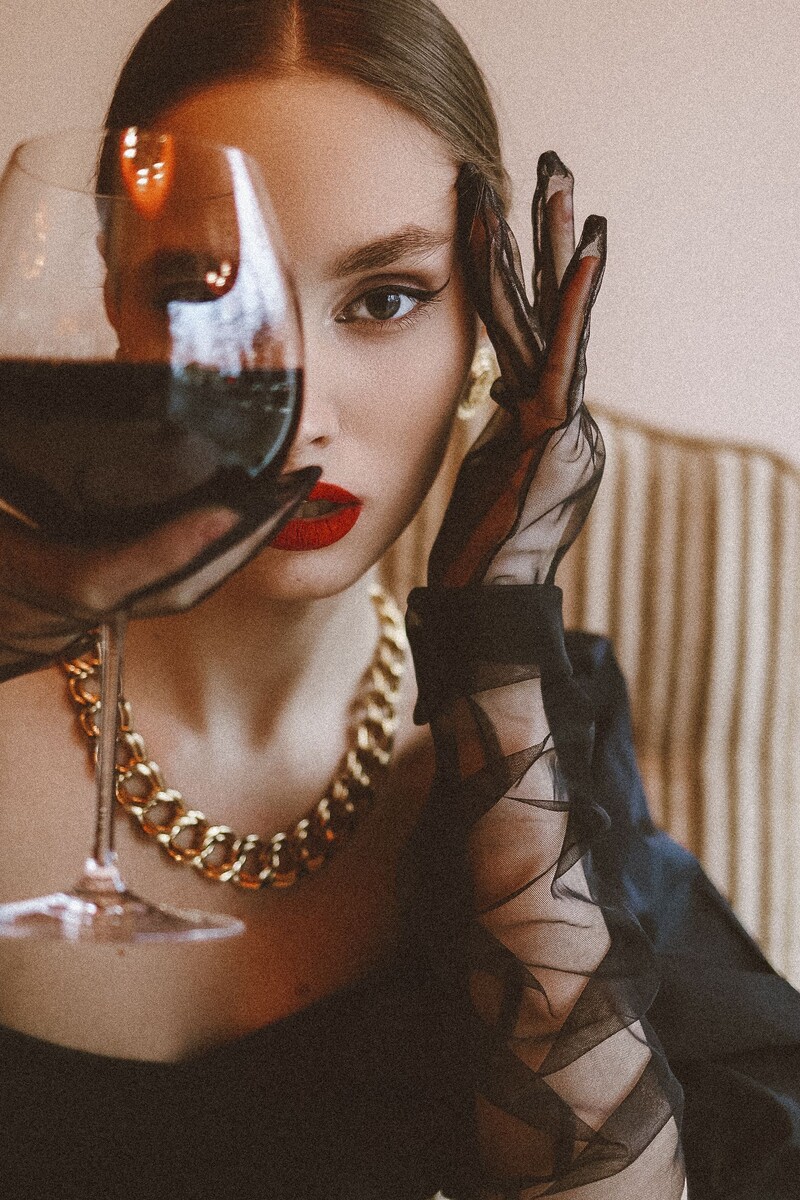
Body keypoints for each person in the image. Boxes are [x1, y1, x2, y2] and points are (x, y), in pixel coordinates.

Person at [0, 1, 799, 1197]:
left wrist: (493, 643)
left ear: (488, 328)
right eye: (204, 289)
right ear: (114, 304)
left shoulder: (527, 751)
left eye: (382, 299)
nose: (300, 415)